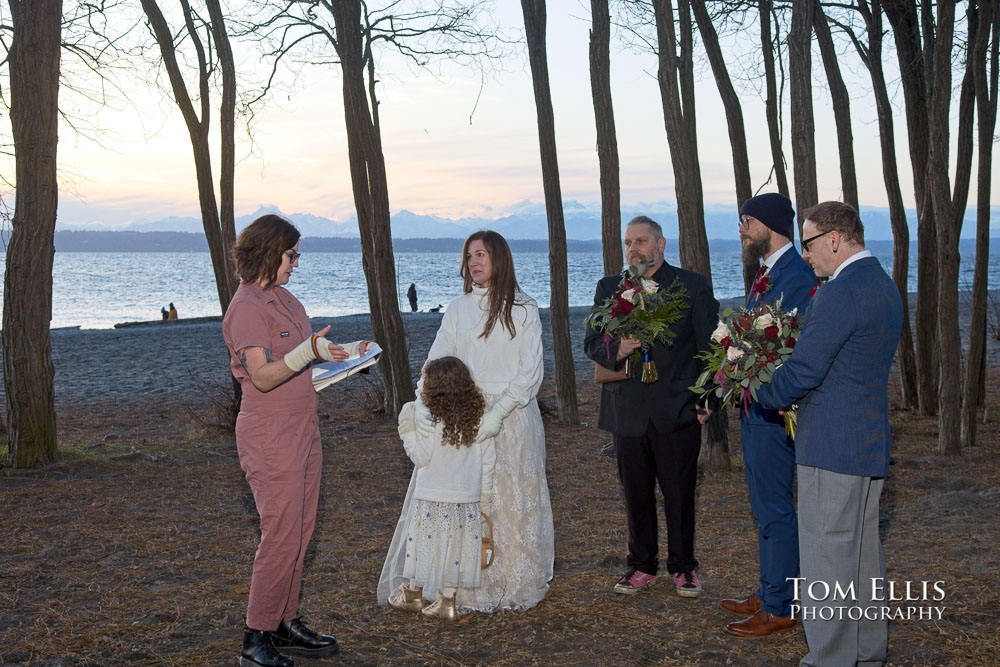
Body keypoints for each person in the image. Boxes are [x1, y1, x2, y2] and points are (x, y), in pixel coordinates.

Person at [756, 202, 902, 666]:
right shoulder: (883, 285)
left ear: (836, 239)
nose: (807, 254)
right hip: (867, 443)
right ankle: (866, 652)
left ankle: (832, 659)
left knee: (826, 561)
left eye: (810, 242)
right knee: (861, 557)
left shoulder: (841, 292)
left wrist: (759, 387)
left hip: (831, 447)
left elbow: (804, 370)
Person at [377, 230, 553, 612]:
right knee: (463, 498)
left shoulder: (524, 308)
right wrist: (424, 401)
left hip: (512, 416)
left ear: (500, 259)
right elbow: (436, 358)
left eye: (482, 255)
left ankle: (511, 578)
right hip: (463, 414)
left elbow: (530, 371)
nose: (474, 262)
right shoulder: (457, 308)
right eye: (469, 255)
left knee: (508, 497)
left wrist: (499, 412)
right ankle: (460, 583)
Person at [223, 214, 368, 667]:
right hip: (270, 434)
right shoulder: (247, 306)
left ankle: (282, 621)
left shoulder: (284, 299)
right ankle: (255, 637)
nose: (296, 263)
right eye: (291, 255)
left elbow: (298, 364)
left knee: (301, 533)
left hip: (304, 426)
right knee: (281, 535)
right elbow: (263, 375)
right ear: (269, 251)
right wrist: (309, 352)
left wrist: (339, 359)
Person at [583, 215, 718, 598]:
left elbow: (710, 348)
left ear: (661, 244)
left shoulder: (692, 286)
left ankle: (684, 568)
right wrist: (616, 348)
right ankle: (640, 566)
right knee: (635, 494)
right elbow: (592, 342)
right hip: (626, 411)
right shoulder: (610, 288)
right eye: (628, 242)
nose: (633, 249)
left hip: (677, 409)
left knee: (680, 494)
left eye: (641, 241)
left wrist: (707, 401)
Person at [720, 193, 816, 639]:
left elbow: (789, 340)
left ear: (770, 224)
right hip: (756, 403)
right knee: (763, 506)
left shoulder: (795, 275)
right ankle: (770, 587)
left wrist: (744, 361)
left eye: (747, 220)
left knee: (775, 507)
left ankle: (780, 605)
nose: (741, 229)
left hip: (776, 407)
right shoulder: (765, 272)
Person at [386, 356, 496, 621]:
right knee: (454, 550)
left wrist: (407, 431)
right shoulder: (478, 419)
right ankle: (447, 602)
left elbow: (421, 457)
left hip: (432, 498)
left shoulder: (431, 422)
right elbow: (488, 462)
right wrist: (484, 499)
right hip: (466, 501)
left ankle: (413, 594)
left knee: (425, 546)